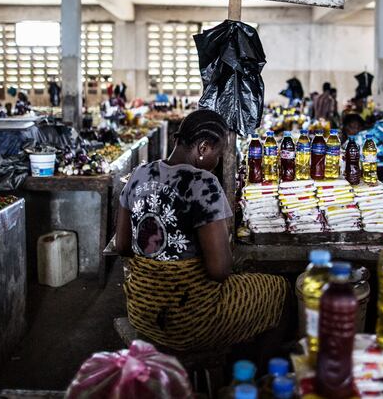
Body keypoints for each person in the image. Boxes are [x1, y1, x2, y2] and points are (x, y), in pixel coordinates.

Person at [116, 109, 289, 352]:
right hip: (189, 320)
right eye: (218, 154)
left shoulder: (139, 174)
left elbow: (122, 246)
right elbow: (220, 271)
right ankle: (254, 377)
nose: (217, 162)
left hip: (142, 311)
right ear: (203, 148)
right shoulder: (202, 183)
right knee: (279, 289)